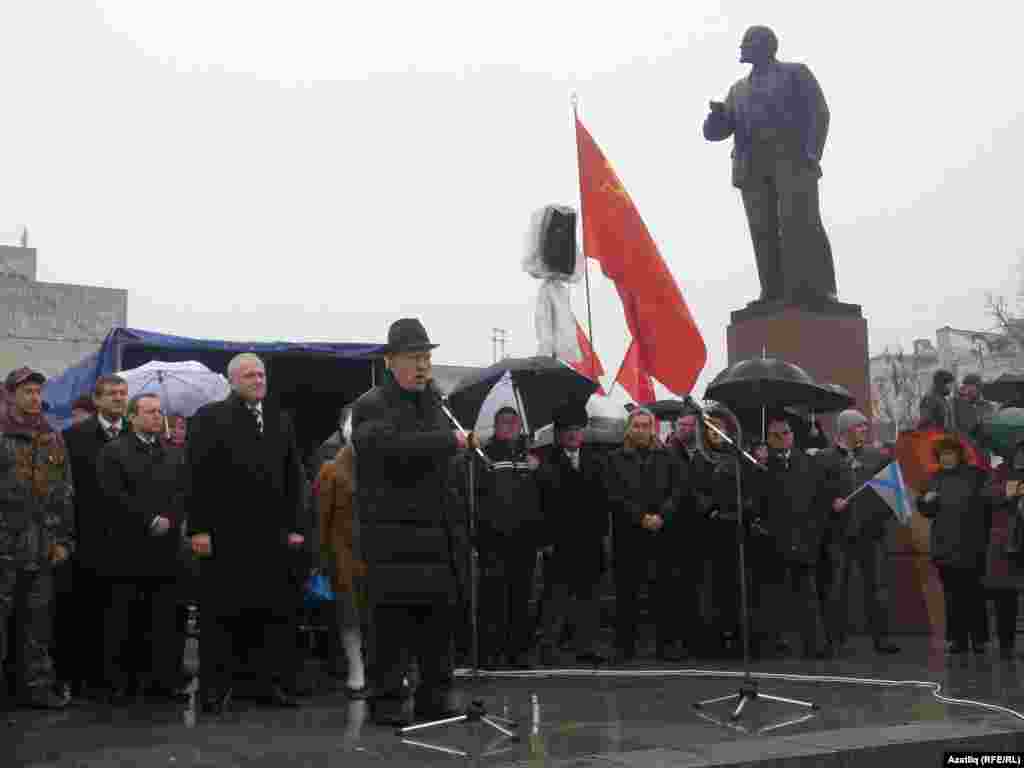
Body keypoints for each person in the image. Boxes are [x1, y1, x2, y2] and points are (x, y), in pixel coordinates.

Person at [349, 318, 472, 726]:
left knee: (437, 622)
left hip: (436, 534)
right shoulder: (372, 404)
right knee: (391, 625)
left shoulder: (435, 403)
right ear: (390, 361)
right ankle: (385, 701)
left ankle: (435, 696)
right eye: (414, 358)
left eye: (426, 357)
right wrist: (446, 443)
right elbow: (384, 446)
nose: (422, 366)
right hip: (392, 536)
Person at [186, 353, 307, 714]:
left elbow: (292, 477)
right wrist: (198, 528)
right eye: (250, 375)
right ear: (233, 380)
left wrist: (296, 526)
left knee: (270, 614)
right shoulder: (210, 418)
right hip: (225, 535)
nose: (258, 380)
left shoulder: (280, 420)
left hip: (270, 536)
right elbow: (195, 476)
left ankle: (267, 685)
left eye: (262, 374)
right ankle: (215, 689)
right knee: (221, 616)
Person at [702, 25, 836, 305]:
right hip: (752, 170)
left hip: (793, 163)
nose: (741, 48)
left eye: (747, 43)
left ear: (765, 46)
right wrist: (715, 118)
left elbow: (819, 112)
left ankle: (814, 290)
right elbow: (716, 133)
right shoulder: (737, 90)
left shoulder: (795, 74)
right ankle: (771, 290)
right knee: (762, 231)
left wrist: (811, 154)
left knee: (801, 225)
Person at [98, 394, 187, 702]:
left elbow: (182, 493)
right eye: (149, 412)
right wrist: (148, 520)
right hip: (128, 549)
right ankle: (122, 683)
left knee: (166, 619)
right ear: (132, 417)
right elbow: (112, 496)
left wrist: (171, 518)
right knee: (125, 619)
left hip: (167, 551)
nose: (155, 417)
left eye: (159, 412)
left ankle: (165, 680)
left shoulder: (173, 453)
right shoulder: (114, 451)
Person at [0, 367, 74, 709]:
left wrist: (63, 540)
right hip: (5, 543)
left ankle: (36, 687)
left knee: (38, 622)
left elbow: (65, 493)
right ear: (11, 393)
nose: (34, 398)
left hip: (43, 544)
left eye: (37, 392)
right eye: (27, 391)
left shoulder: (53, 436)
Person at [62, 374, 129, 699]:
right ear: (98, 400)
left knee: (120, 612)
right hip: (87, 536)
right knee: (85, 611)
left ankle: (117, 678)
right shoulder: (74, 436)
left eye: (122, 393)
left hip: (127, 539)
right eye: (112, 394)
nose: (119, 398)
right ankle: (83, 679)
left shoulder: (135, 433)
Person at [605, 408, 687, 662]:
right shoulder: (614, 458)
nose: (641, 430)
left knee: (664, 591)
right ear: (629, 428)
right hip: (629, 533)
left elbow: (678, 491)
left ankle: (666, 645)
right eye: (637, 425)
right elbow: (612, 493)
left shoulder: (669, 456)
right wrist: (640, 516)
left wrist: (662, 515)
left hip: (662, 533)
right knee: (627, 591)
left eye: (646, 425)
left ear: (654, 428)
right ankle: (625, 646)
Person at [818, 410, 901, 655]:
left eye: (866, 426)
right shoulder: (825, 458)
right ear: (845, 430)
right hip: (838, 533)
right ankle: (834, 640)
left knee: (877, 588)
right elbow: (815, 492)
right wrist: (830, 502)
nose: (865, 430)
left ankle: (882, 639)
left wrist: (883, 519)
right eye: (860, 426)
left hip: (871, 533)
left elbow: (890, 494)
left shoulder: (876, 457)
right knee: (836, 589)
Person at [536, 399, 610, 665]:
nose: (572, 434)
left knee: (588, 596)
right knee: (556, 596)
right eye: (567, 429)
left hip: (589, 540)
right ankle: (549, 647)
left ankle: (586, 646)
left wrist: (602, 535)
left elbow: (602, 500)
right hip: (559, 541)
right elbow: (540, 505)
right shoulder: (545, 462)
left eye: (577, 429)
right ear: (558, 433)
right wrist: (544, 540)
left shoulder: (594, 460)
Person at [475, 407, 543, 669]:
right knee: (492, 598)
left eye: (513, 421)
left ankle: (517, 652)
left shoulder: (529, 454)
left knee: (521, 597)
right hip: (493, 538)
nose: (509, 426)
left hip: (524, 538)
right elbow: (478, 495)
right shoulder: (485, 453)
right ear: (496, 425)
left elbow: (540, 495)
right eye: (504, 421)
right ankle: (489, 653)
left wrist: (536, 469)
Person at [757, 414, 828, 658]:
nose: (782, 438)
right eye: (776, 435)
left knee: (807, 594)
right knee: (774, 596)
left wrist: (812, 533)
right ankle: (776, 643)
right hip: (774, 540)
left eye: (786, 433)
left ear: (793, 435)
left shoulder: (806, 462)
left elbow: (818, 499)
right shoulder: (760, 465)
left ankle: (815, 644)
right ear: (768, 439)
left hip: (804, 537)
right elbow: (757, 501)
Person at [918, 436, 996, 654]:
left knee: (975, 593)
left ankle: (979, 639)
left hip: (973, 545)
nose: (946, 458)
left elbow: (988, 506)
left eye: (950, 454)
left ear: (958, 455)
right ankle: (956, 639)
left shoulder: (976, 476)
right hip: (944, 546)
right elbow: (926, 511)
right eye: (942, 455)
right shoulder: (934, 479)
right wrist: (925, 501)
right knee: (952, 596)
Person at [317, 434, 368, 697]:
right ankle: (356, 670)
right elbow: (322, 517)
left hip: (377, 552)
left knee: (381, 614)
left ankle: (386, 671)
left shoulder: (384, 466)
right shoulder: (332, 471)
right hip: (344, 554)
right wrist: (322, 557)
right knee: (350, 616)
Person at [987, 439, 1024, 659]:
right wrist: (1012, 489)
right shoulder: (1001, 471)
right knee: (1005, 596)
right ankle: (1006, 645)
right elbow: (987, 494)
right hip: (1006, 542)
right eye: (1020, 451)